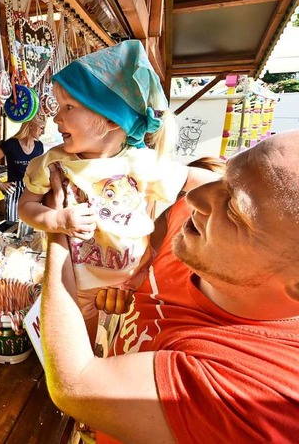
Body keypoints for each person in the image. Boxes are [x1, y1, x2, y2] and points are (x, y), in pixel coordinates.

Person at [41, 130, 299, 442]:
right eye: (226, 177)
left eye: (234, 210)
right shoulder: (192, 231)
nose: (196, 199)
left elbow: (74, 385)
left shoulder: (262, 393)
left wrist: (57, 229)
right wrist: (127, 282)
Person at [19, 40, 218, 344]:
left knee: (122, 342)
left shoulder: (140, 163)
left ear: (111, 118)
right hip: (77, 282)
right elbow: (26, 206)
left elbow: (192, 178)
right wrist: (55, 221)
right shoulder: (53, 162)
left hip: (133, 281)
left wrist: (241, 186)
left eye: (69, 108)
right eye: (60, 108)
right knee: (78, 344)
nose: (57, 118)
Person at [0, 114, 45, 221]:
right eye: (41, 128)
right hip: (14, 190)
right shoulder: (11, 144)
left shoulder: (39, 146)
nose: (43, 132)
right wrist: (0, 184)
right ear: (30, 125)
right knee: (12, 227)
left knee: (29, 226)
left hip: (32, 191)